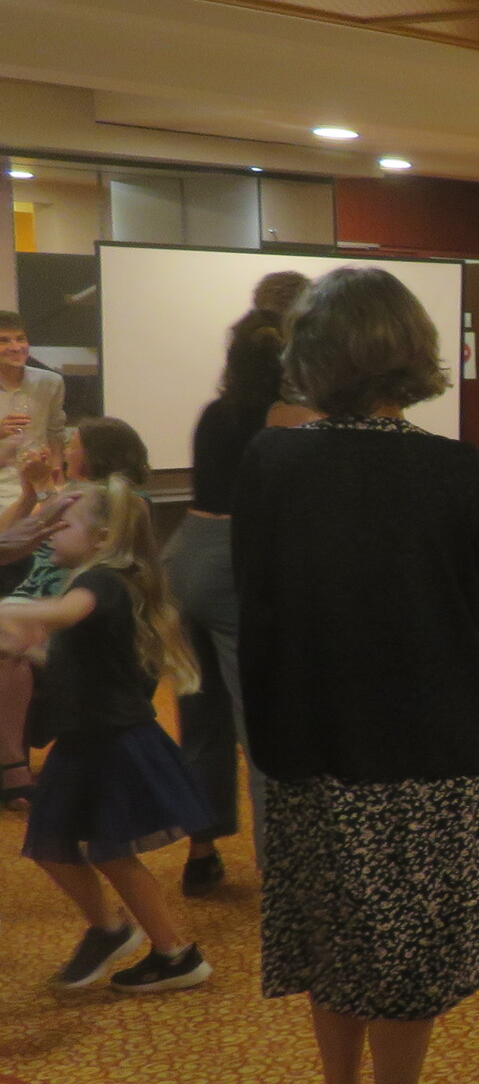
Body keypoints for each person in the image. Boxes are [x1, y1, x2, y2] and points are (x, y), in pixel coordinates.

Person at [235, 266, 479, 1084]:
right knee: (408, 949)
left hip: (306, 733)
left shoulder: (269, 463)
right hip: (429, 740)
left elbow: (259, 595)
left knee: (332, 930)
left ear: (312, 355)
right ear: (413, 355)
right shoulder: (454, 469)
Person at [0, 477, 211, 992]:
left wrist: (9, 609)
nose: (48, 534)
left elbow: (63, 614)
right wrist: (29, 651)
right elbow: (78, 658)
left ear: (101, 537)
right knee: (94, 850)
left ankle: (124, 934)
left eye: (61, 524)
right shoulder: (95, 580)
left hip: (109, 743)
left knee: (75, 848)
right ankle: (160, 949)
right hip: (93, 738)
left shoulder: (101, 582)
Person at [166, 304, 300, 894]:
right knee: (262, 721)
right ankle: (280, 870)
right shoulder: (287, 420)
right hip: (235, 562)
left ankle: (201, 853)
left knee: (199, 720)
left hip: (185, 554)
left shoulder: (214, 413)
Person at [0, 416, 154, 808]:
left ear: (96, 453)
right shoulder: (65, 494)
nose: (65, 451)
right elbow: (6, 538)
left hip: (68, 608)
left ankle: (12, 767)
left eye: (73, 444)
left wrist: (47, 491)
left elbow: (86, 554)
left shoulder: (125, 502)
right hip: (28, 602)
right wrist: (29, 495)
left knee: (9, 648)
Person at [0, 308, 67, 517]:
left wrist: (58, 481)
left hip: (40, 483)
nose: (16, 347)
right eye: (4, 341)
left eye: (20, 339)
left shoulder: (50, 382)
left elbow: (55, 434)